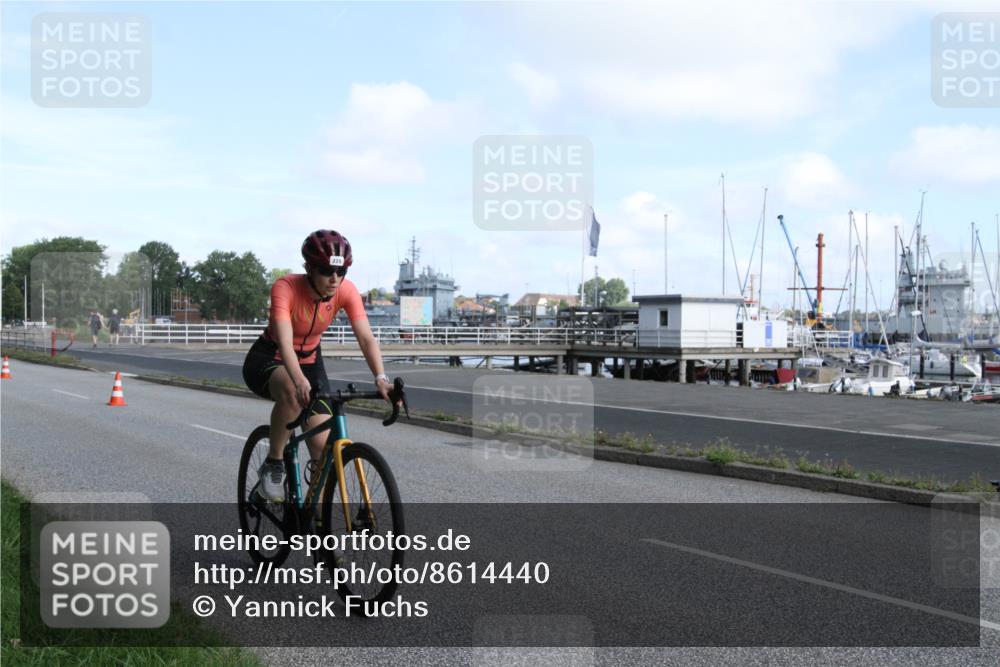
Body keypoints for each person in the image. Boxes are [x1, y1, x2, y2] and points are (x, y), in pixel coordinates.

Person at [242, 230, 393, 502]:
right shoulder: (285, 287)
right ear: (309, 269)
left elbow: (366, 337)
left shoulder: (346, 291)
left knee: (323, 448)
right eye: (326, 271)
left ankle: (317, 526)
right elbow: (285, 343)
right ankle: (274, 465)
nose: (335, 279)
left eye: (341, 271)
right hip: (270, 357)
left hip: (311, 361)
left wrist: (381, 377)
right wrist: (299, 380)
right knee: (291, 390)